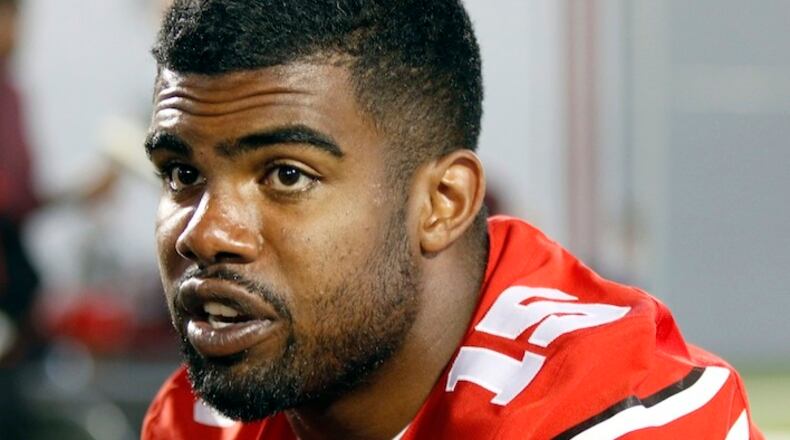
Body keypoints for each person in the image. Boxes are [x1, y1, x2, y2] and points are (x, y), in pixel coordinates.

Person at [141, 1, 763, 439]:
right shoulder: (206, 418)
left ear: (444, 203)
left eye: (286, 175)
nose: (205, 232)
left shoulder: (615, 418)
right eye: (181, 174)